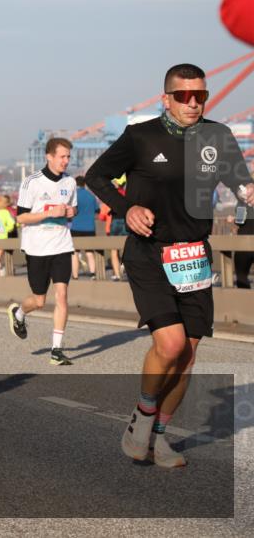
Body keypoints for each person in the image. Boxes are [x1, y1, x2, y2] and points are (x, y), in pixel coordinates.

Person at [86, 63, 254, 467]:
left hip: (194, 254)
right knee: (171, 344)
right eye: (183, 96)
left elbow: (240, 185)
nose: (193, 103)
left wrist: (245, 207)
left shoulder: (219, 136)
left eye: (200, 96)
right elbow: (96, 176)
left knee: (188, 354)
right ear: (167, 98)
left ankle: (160, 437)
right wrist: (127, 208)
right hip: (149, 252)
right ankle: (142, 418)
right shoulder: (140, 136)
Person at [6, 137, 78, 366]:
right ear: (49, 157)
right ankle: (19, 313)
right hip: (37, 247)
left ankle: (56, 350)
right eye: (62, 157)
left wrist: (69, 213)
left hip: (62, 245)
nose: (66, 161)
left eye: (68, 157)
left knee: (62, 296)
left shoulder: (70, 183)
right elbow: (21, 217)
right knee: (39, 301)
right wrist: (49, 213)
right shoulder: (32, 182)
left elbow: (73, 209)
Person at [70, 175, 100, 279]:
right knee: (89, 252)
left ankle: (75, 275)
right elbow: (97, 211)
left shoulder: (74, 196)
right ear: (84, 184)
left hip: (76, 227)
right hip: (89, 228)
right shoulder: (91, 196)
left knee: (74, 252)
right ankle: (92, 274)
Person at [0, 195, 15, 276]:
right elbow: (11, 224)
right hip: (1, 237)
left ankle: (0, 270)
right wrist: (4, 230)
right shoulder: (5, 212)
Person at [234, 208, 253, 289]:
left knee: (241, 276)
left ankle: (245, 299)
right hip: (244, 243)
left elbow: (239, 221)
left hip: (244, 244)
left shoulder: (242, 204)